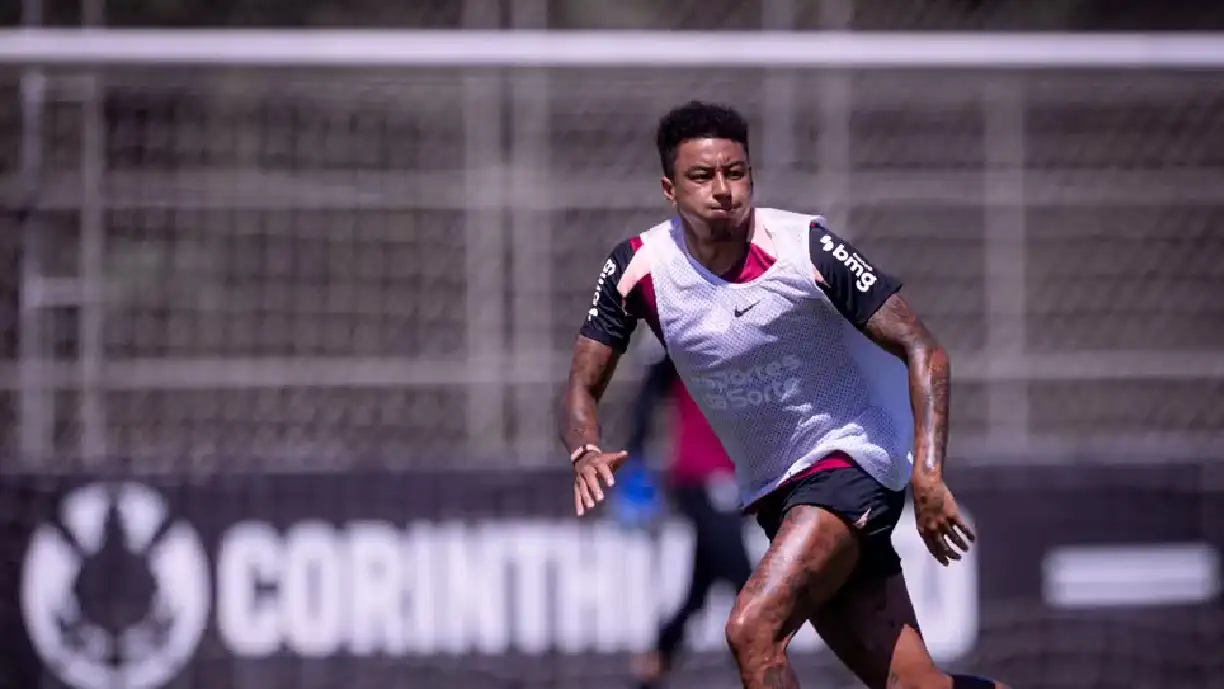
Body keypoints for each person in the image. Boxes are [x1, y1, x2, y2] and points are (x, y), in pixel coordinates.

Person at [557, 100, 1008, 689]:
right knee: (915, 684)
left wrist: (927, 473)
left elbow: (924, 347)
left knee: (752, 628)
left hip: (851, 461)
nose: (723, 189)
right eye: (701, 176)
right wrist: (584, 449)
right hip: (776, 492)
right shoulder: (639, 268)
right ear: (670, 189)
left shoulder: (804, 247)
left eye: (735, 172)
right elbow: (579, 388)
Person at [618, 344, 753, 689]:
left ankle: (654, 663)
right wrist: (635, 456)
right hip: (699, 474)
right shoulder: (685, 338)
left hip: (735, 477)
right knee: (747, 583)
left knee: (700, 587)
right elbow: (649, 394)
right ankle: (758, 667)